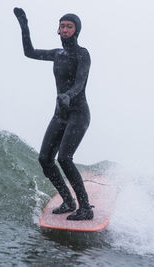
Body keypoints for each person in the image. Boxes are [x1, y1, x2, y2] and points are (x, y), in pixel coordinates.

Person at [14, 8, 93, 220]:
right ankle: (68, 201)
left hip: (78, 113)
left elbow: (80, 82)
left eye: (69, 26)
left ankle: (85, 208)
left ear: (76, 30)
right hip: (60, 114)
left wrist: (68, 95)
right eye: (62, 26)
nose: (65, 29)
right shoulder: (57, 54)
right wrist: (24, 25)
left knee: (65, 158)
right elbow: (29, 52)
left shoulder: (82, 54)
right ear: (58, 30)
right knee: (45, 159)